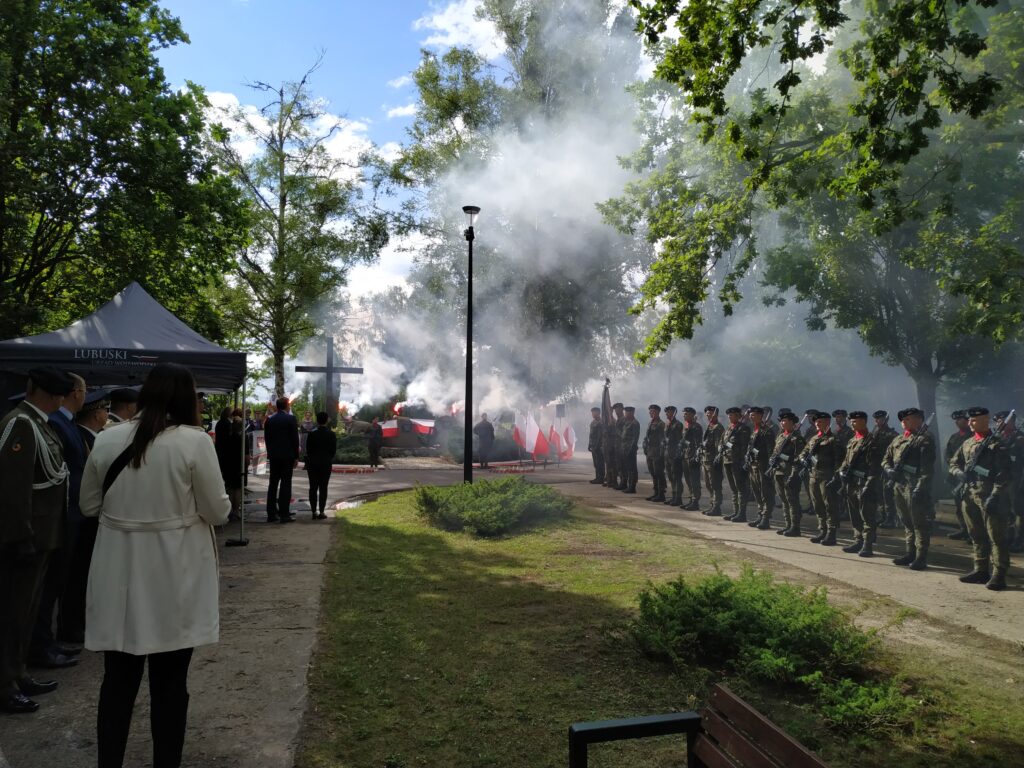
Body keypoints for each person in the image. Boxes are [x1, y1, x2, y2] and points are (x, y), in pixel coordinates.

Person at [79, 362, 229, 767]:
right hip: (173, 572)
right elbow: (217, 512)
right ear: (187, 398)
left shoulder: (107, 438)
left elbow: (89, 505)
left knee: (117, 682)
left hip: (118, 571)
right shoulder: (194, 442)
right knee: (169, 684)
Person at [0, 367, 74, 714]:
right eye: (57, 393)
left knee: (26, 611)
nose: (61, 399)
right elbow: (13, 487)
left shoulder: (38, 422)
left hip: (44, 534)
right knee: (12, 612)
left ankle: (18, 673)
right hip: (26, 536)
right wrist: (20, 535)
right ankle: (5, 684)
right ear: (44, 392)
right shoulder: (21, 423)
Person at [27, 374, 87, 670]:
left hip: (68, 513)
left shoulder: (62, 423)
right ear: (76, 393)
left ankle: (46, 642)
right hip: (56, 515)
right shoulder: (51, 423)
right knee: (46, 586)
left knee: (57, 582)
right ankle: (39, 646)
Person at [56, 389, 109, 648]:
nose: (106, 414)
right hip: (77, 515)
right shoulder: (80, 436)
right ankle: (71, 626)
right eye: (104, 410)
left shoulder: (88, 436)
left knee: (80, 573)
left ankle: (76, 624)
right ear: (97, 413)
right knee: (74, 574)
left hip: (82, 513)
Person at [949, 407, 1012, 590]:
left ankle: (999, 575)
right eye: (969, 420)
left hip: (990, 495)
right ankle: (980, 569)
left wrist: (996, 495)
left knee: (996, 536)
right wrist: (959, 473)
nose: (970, 423)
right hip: (969, 493)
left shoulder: (997, 444)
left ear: (985, 420)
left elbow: (1004, 474)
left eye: (974, 420)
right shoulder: (967, 443)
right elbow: (954, 463)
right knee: (976, 534)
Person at [882, 407, 936, 570]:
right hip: (899, 485)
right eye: (903, 420)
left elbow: (927, 469)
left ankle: (921, 557)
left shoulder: (925, 439)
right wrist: (889, 469)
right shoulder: (898, 439)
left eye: (908, 419)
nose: (904, 422)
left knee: (919, 523)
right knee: (906, 521)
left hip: (914, 487)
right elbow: (886, 459)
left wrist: (920, 487)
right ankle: (910, 553)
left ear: (919, 420)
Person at [836, 411, 883, 557]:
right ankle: (858, 540)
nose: (852, 423)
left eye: (855, 421)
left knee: (867, 515)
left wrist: (869, 485)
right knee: (854, 514)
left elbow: (875, 466)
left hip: (864, 484)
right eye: (851, 421)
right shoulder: (852, 440)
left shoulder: (872, 441)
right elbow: (846, 460)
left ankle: (867, 545)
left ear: (863, 421)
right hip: (851, 483)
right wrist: (842, 471)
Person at [797, 411, 842, 545]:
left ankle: (831, 533)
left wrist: (835, 477)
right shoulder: (814, 439)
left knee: (829, 506)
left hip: (826, 476)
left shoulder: (834, 440)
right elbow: (803, 453)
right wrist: (803, 459)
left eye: (820, 421)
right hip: (813, 476)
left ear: (828, 423)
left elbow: (838, 461)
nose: (817, 424)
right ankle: (822, 530)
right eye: (816, 422)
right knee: (817, 505)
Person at [769, 410, 806, 537]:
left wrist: (793, 474)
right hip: (778, 471)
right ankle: (788, 525)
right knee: (784, 500)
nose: (782, 423)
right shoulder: (781, 436)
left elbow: (798, 459)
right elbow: (775, 451)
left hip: (789, 472)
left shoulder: (797, 439)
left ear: (792, 422)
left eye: (785, 421)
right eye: (781, 421)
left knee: (792, 500)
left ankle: (795, 527)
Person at [264, 397, 300, 523]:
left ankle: (271, 513)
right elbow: (295, 439)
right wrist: (296, 456)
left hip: (274, 456)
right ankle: (284, 513)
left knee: (273, 484)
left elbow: (266, 438)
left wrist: (270, 453)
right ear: (286, 406)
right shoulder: (290, 419)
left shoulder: (269, 419)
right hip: (287, 456)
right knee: (285, 483)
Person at [745, 406, 776, 529]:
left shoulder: (766, 431)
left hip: (763, 466)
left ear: (760, 416)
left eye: (754, 415)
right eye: (751, 415)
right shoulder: (755, 430)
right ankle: (760, 515)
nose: (752, 417)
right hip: (754, 465)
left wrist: (757, 452)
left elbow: (770, 451)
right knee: (757, 492)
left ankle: (766, 518)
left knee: (765, 493)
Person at [721, 406, 752, 523]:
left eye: (732, 415)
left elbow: (744, 447)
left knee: (740, 489)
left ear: (738, 416)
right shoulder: (729, 428)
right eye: (729, 415)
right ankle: (735, 511)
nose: (729, 417)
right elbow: (722, 441)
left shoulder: (743, 429)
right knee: (733, 489)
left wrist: (742, 461)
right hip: (727, 460)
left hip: (737, 462)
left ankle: (742, 513)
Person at [945, 410, 972, 541]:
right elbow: (948, 455)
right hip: (956, 475)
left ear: (967, 420)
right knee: (959, 505)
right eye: (956, 420)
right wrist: (955, 468)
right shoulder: (954, 437)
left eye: (960, 419)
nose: (957, 422)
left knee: (970, 506)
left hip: (970, 476)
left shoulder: (972, 435)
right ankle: (963, 529)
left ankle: (973, 532)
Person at [305, 412, 337, 520]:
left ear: (317, 421)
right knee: (323, 488)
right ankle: (322, 511)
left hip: (313, 463)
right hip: (325, 463)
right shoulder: (331, 434)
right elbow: (333, 451)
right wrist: (327, 458)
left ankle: (314, 511)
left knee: (313, 488)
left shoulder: (311, 434)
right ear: (326, 420)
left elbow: (308, 450)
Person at [872, 410, 899, 528]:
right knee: (879, 493)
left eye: (881, 419)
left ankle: (890, 518)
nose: (879, 421)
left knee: (887, 493)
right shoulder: (874, 432)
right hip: (876, 467)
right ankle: (882, 516)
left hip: (888, 467)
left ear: (886, 420)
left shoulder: (892, 435)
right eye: (877, 419)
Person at [701, 406, 725, 516]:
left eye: (711, 413)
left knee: (715, 484)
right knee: (708, 484)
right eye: (707, 414)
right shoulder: (709, 427)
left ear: (716, 415)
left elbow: (718, 446)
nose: (708, 415)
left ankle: (717, 506)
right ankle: (712, 504)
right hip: (706, 459)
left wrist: (717, 460)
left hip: (712, 460)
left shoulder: (718, 428)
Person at [681, 407, 703, 510]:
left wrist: (695, 456)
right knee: (688, 480)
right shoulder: (686, 426)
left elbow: (697, 443)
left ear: (692, 415)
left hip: (693, 456)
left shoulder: (696, 427)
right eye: (684, 414)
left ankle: (695, 502)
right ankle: (691, 499)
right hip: (686, 456)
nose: (684, 415)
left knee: (694, 481)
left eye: (686, 414)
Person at [643, 404, 666, 502]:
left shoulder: (661, 424)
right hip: (650, 451)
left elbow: (663, 439)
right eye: (650, 411)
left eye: (652, 411)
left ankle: (661, 494)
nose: (651, 413)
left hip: (657, 451)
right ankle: (656, 492)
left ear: (657, 412)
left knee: (659, 473)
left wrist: (661, 453)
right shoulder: (650, 423)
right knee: (653, 473)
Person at [663, 406, 684, 506]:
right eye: (666, 412)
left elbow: (679, 440)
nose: (667, 414)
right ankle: (673, 496)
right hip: (668, 453)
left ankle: (678, 498)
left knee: (676, 477)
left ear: (673, 413)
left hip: (675, 454)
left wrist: (677, 454)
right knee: (671, 477)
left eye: (669, 412)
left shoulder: (678, 424)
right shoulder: (667, 424)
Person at [619, 406, 640, 494]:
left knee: (632, 469)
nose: (625, 414)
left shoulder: (635, 423)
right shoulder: (626, 422)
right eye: (625, 412)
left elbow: (635, 439)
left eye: (627, 412)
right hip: (624, 449)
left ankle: (632, 487)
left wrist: (631, 450)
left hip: (630, 450)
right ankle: (627, 485)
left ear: (631, 413)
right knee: (627, 468)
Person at [587, 407, 604, 485]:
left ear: (598, 413)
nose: (593, 414)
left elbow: (600, 436)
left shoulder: (601, 422)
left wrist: (597, 445)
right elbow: (591, 435)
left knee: (600, 463)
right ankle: (597, 477)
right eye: (592, 412)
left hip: (599, 446)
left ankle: (601, 478)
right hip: (593, 445)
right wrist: (589, 444)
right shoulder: (593, 422)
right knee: (596, 463)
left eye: (594, 412)